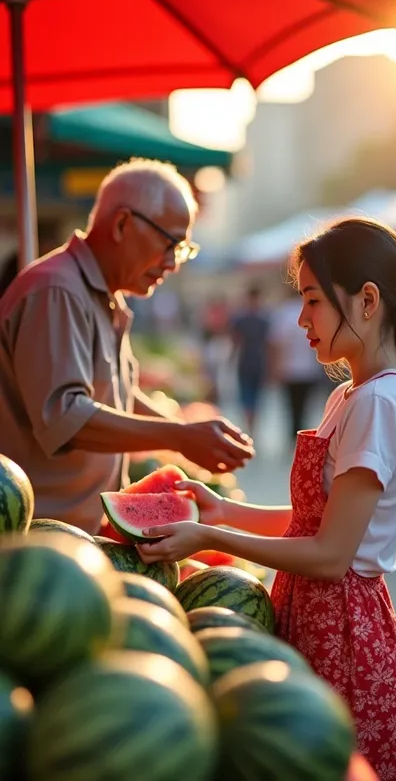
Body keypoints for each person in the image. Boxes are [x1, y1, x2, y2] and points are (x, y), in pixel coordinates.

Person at [137, 217, 396, 781]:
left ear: (367, 300)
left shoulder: (378, 404)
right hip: (324, 621)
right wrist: (223, 509)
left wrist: (208, 536)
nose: (300, 319)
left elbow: (331, 554)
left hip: (344, 639)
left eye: (312, 301)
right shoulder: (352, 395)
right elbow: (313, 523)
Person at [0, 158, 254, 535]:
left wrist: (184, 432)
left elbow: (114, 394)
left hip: (77, 532)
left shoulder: (102, 297)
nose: (172, 263)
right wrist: (178, 436)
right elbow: (65, 418)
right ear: (122, 223)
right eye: (170, 243)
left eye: (183, 249)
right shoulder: (57, 292)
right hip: (36, 537)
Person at [269, 285, 329, 441]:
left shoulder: (283, 313)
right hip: (308, 368)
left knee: (291, 405)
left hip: (288, 368)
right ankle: (301, 433)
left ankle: (293, 435)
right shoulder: (310, 311)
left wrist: (275, 367)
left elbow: (277, 343)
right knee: (304, 406)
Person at [231, 286, 271, 434]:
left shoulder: (243, 319)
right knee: (252, 396)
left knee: (250, 396)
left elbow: (236, 341)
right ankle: (252, 425)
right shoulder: (263, 319)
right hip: (254, 361)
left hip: (249, 361)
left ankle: (251, 425)